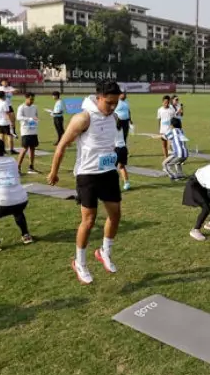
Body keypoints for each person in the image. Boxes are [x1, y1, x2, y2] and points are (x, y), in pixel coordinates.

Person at [48, 80, 123, 284]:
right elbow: (62, 145)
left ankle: (104, 251)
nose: (112, 107)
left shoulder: (114, 117)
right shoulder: (83, 118)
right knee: (89, 221)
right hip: (88, 175)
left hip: (108, 172)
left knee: (115, 215)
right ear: (98, 98)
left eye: (115, 102)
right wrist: (54, 172)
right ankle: (79, 262)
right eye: (109, 102)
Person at [16, 92, 40, 174]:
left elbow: (36, 116)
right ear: (26, 98)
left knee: (32, 148)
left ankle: (31, 167)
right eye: (31, 99)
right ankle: (18, 167)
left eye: (33, 99)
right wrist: (29, 119)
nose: (32, 101)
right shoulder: (21, 107)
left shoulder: (35, 107)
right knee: (24, 148)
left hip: (33, 130)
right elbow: (18, 117)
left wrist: (36, 120)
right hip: (25, 131)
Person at [0, 90, 17, 155]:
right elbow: (7, 114)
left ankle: (2, 149)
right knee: (10, 136)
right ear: (4, 96)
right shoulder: (5, 103)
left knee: (1, 135)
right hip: (6, 122)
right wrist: (11, 122)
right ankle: (11, 150)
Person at [114, 114, 131, 191]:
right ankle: (127, 183)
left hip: (116, 149)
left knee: (112, 169)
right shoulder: (120, 127)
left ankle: (113, 186)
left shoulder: (112, 128)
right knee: (121, 167)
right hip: (123, 148)